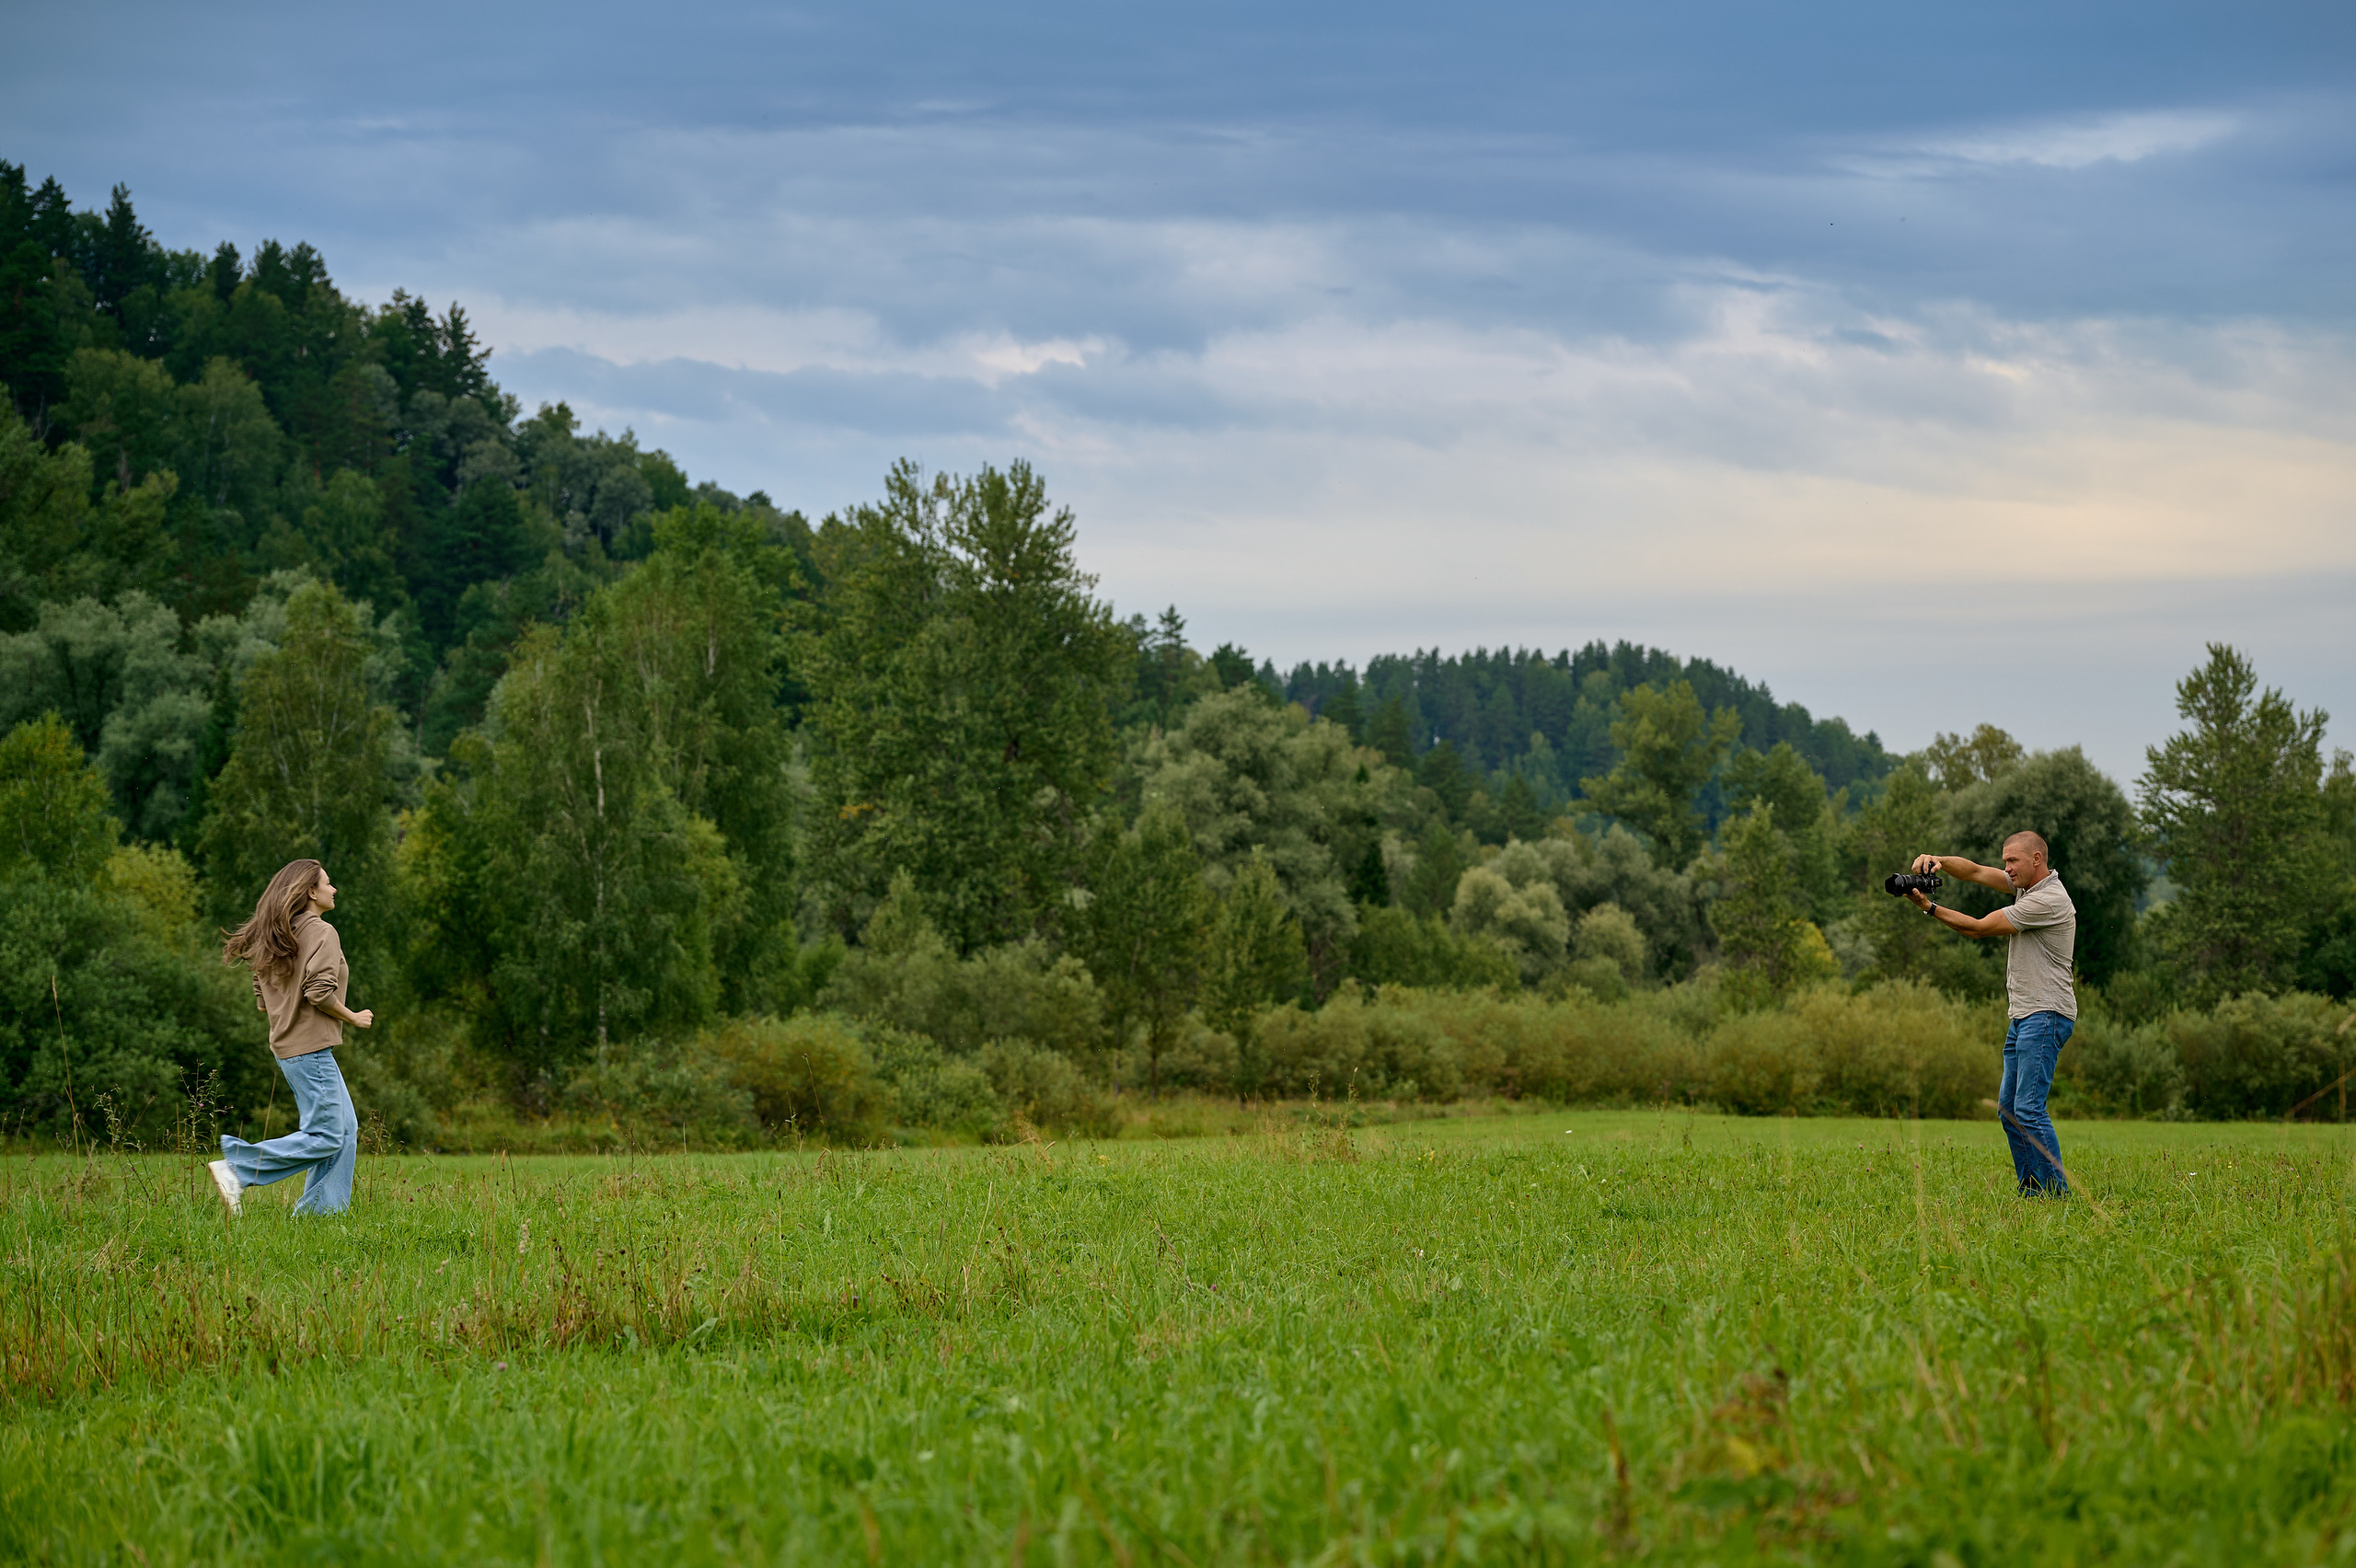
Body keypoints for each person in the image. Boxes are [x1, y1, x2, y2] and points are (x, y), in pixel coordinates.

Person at [1903, 832, 2076, 1196]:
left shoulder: (2047, 900)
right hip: (2025, 1016)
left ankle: (2057, 1194)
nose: (2006, 868)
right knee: (2009, 1111)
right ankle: (2033, 1191)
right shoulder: (2026, 887)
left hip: (2046, 1014)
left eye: (2013, 861)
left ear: (2036, 859)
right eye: (2005, 860)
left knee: (2028, 1110)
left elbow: (1979, 929)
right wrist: (1939, 860)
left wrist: (1928, 907)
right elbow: (1977, 872)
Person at [207, 859, 375, 1216]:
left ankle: (319, 1214)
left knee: (345, 1129)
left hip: (290, 1049)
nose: (334, 889)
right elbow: (319, 992)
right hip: (310, 1051)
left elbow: (261, 999)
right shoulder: (322, 932)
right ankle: (237, 1168)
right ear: (311, 892)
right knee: (328, 1135)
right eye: (328, 884)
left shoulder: (280, 934)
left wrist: (287, 1005)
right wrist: (353, 1017)